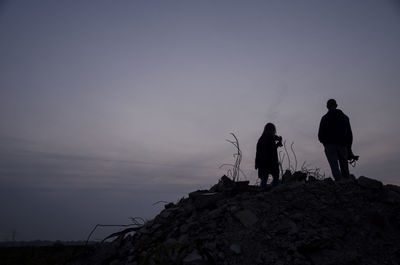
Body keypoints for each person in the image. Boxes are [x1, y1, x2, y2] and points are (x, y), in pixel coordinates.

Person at [318, 99, 353, 181]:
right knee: (344, 166)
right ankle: (347, 184)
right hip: (343, 145)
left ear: (327, 107)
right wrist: (349, 148)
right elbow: (349, 135)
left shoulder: (324, 118)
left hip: (330, 146)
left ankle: (340, 184)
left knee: (334, 166)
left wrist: (325, 145)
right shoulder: (345, 117)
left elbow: (320, 136)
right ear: (336, 105)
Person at [255, 123, 283, 188]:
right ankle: (273, 191)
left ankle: (263, 191)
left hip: (263, 162)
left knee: (265, 177)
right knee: (275, 176)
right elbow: (272, 148)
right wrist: (278, 143)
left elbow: (258, 152)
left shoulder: (261, 139)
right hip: (270, 161)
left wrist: (256, 163)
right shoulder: (270, 137)